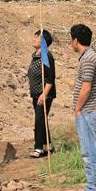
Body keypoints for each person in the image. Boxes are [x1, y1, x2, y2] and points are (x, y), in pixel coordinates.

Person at [70, 23, 96, 191]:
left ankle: (93, 189)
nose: (71, 43)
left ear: (76, 40)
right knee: (91, 151)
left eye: (71, 40)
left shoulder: (89, 59)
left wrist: (77, 108)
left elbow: (86, 88)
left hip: (88, 111)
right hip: (89, 111)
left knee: (89, 152)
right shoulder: (88, 57)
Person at [28, 29, 56, 158]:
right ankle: (47, 146)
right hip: (36, 93)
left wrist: (44, 94)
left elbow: (50, 78)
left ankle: (38, 148)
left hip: (44, 93)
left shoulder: (46, 55)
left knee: (39, 120)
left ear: (43, 41)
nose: (34, 39)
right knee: (42, 119)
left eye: (37, 37)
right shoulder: (36, 54)